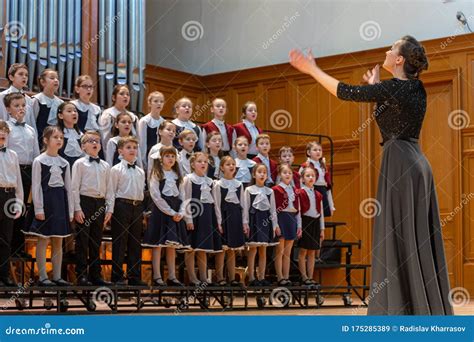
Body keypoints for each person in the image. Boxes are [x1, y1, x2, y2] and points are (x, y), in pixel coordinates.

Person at [289, 35, 453, 315]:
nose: (387, 52)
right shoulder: (415, 88)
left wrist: (312, 70)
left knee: (396, 234)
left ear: (399, 60)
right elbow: (394, 114)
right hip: (416, 165)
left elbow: (346, 92)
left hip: (400, 163)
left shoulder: (393, 89)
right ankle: (419, 307)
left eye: (392, 49)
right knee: (411, 237)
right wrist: (377, 88)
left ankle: (400, 310)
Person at [24, 126, 73, 286]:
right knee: (43, 239)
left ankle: (57, 276)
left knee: (58, 240)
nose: (59, 140)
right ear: (46, 140)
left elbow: (68, 189)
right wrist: (39, 209)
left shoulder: (65, 163)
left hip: (60, 203)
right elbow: (36, 186)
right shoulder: (39, 160)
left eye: (61, 137)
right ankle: (43, 276)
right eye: (55, 137)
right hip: (45, 203)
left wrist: (70, 211)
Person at [71, 131, 112, 286]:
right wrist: (77, 208)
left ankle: (96, 274)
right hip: (85, 202)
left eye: (97, 141)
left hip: (100, 204)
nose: (95, 143)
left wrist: (109, 209)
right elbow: (74, 187)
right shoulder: (79, 164)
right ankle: (81, 275)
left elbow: (110, 190)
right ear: (83, 147)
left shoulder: (106, 165)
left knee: (96, 241)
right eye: (90, 141)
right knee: (82, 241)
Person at [0, 120, 23, 286]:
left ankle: (4, 275)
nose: (2, 133)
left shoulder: (13, 155)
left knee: (6, 238)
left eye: (4, 130)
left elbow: (18, 181)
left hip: (9, 196)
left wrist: (19, 202)